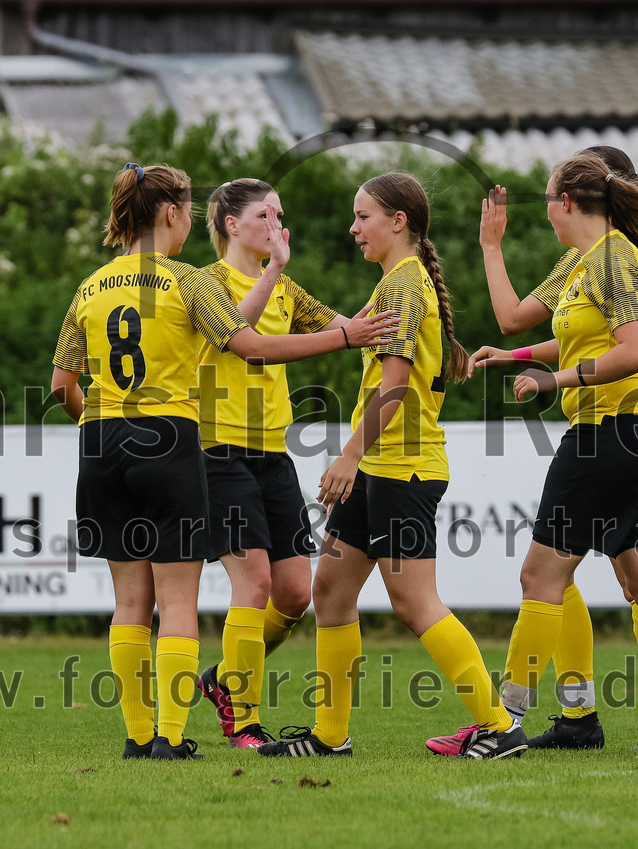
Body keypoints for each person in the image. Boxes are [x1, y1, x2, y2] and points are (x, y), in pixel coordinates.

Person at [50, 162, 397, 761]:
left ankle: (139, 738)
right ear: (173, 215)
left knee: (133, 601)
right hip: (180, 441)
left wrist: (96, 423)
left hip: (106, 441)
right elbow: (245, 340)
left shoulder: (89, 286)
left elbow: (61, 384)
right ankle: (182, 736)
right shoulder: (190, 281)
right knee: (181, 600)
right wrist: (347, 338)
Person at [258, 172, 528, 760]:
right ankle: (330, 736)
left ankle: (501, 725)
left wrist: (350, 454)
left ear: (398, 221)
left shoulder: (406, 286)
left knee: (414, 601)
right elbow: (340, 330)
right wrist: (270, 276)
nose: (353, 229)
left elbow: (398, 386)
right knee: (330, 591)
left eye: (364, 217)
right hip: (380, 468)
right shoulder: (397, 284)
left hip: (400, 469)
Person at [461, 153, 638, 757]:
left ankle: (505, 724)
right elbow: (518, 319)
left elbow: (634, 351)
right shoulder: (583, 262)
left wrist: (557, 381)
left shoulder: (615, 257)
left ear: (566, 202)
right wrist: (517, 353)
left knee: (541, 576)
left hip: (613, 431)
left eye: (548, 199)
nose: (545, 210)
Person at [193, 178, 378, 749]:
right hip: (217, 451)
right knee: (252, 585)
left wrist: (404, 278)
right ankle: (244, 720)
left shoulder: (288, 290)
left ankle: (225, 680)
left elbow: (345, 323)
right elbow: (242, 339)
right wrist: (274, 271)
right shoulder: (203, 284)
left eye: (280, 212)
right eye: (266, 214)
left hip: (271, 452)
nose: (278, 222)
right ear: (232, 224)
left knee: (295, 592)